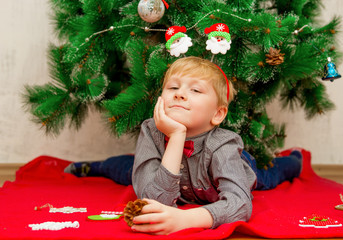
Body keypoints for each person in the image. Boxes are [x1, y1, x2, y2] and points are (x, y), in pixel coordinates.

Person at [65, 56, 302, 235]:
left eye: (195, 90)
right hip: (162, 168)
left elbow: (240, 205)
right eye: (173, 87)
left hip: (233, 171)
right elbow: (154, 198)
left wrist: (184, 219)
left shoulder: (224, 145)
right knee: (123, 169)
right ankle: (93, 166)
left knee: (270, 176)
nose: (180, 94)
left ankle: (294, 160)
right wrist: (177, 136)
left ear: (218, 114)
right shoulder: (151, 129)